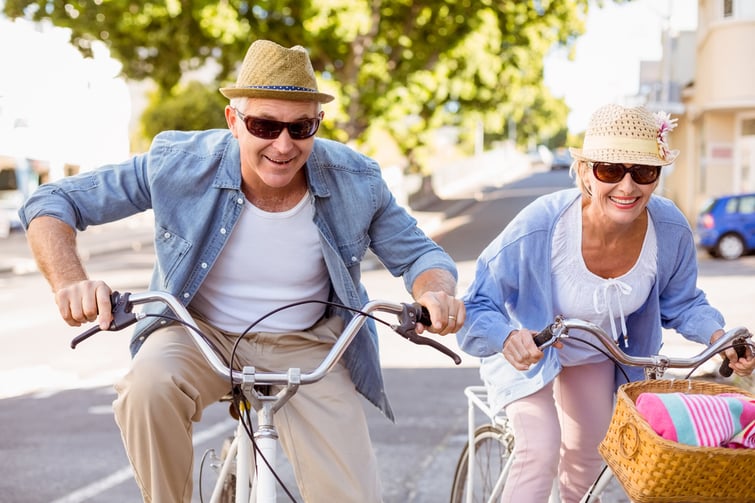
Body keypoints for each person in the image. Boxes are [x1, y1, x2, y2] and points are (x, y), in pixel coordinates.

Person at [19, 39, 466, 503]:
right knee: (145, 389)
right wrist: (70, 281)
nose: (283, 144)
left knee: (351, 495)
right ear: (234, 121)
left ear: (318, 124)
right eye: (264, 125)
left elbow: (422, 257)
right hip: (198, 334)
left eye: (301, 127)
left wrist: (435, 294)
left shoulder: (357, 179)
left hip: (309, 344)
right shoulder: (180, 163)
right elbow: (53, 201)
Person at [455, 103, 755, 503]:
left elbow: (683, 303)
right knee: (540, 448)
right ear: (584, 172)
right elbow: (476, 304)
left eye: (643, 172)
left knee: (590, 464)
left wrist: (721, 337)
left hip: (598, 355)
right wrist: (507, 336)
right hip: (525, 351)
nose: (627, 187)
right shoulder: (540, 226)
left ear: (657, 177)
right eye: (610, 170)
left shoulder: (669, 229)